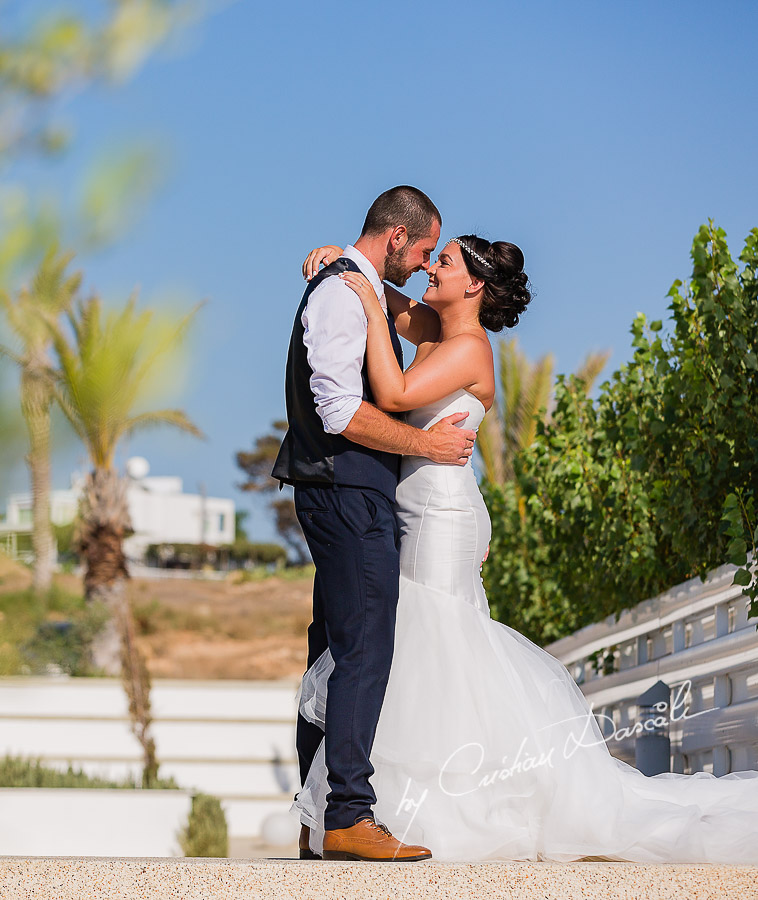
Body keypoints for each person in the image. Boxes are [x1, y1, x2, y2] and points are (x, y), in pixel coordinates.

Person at [293, 235, 758, 862]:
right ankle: (368, 804)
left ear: (476, 286)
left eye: (446, 261)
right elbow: (384, 291)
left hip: (440, 516)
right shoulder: (432, 322)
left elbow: (397, 394)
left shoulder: (469, 349)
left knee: (429, 642)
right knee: (411, 648)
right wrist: (346, 261)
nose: (432, 266)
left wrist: (368, 304)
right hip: (420, 507)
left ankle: (432, 804)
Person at [272, 186, 476, 862]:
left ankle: (315, 817)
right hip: (344, 488)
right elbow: (338, 412)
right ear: (396, 238)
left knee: (333, 651)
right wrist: (427, 447)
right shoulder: (341, 294)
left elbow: (408, 323)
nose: (423, 265)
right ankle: (348, 814)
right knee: (363, 649)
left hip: (349, 490)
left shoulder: (355, 286)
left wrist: (349, 269)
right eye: (422, 251)